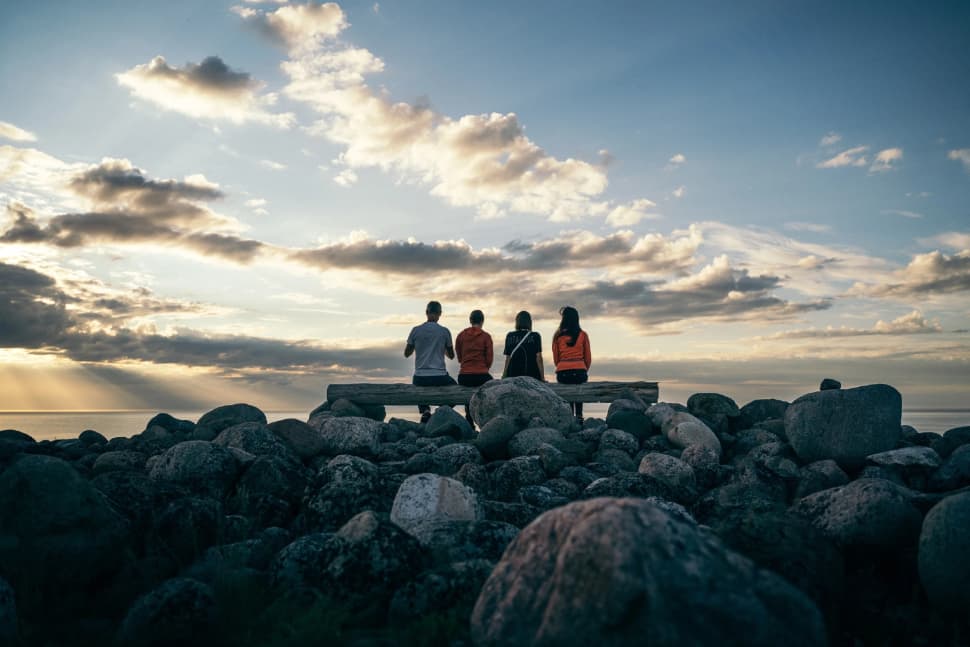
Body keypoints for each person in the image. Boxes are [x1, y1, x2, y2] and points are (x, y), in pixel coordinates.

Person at [405, 301, 455, 424]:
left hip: (420, 377)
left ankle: (425, 410)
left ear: (426, 313)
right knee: (456, 389)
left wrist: (419, 346)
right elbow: (452, 356)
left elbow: (407, 353)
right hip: (440, 377)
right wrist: (440, 347)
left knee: (416, 382)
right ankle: (441, 409)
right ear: (440, 314)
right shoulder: (444, 332)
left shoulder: (415, 330)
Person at [552, 306, 591, 423]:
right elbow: (588, 358)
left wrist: (562, 367)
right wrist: (583, 368)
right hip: (580, 371)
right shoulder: (583, 335)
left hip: (563, 373)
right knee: (579, 389)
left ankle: (569, 418)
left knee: (567, 394)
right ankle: (579, 417)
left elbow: (556, 358)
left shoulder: (558, 336)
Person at [455, 309, 494, 426]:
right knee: (492, 387)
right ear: (482, 321)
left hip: (464, 376)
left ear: (470, 321)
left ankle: (468, 415)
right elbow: (489, 359)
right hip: (481, 375)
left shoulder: (461, 336)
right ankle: (485, 417)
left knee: (467, 390)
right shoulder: (486, 337)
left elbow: (459, 357)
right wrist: (483, 369)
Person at [503, 310, 544, 381]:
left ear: (517, 322)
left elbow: (508, 358)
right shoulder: (535, 336)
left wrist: (504, 375)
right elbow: (539, 358)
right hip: (531, 375)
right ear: (529, 322)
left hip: (513, 375)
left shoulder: (510, 336)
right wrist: (542, 377)